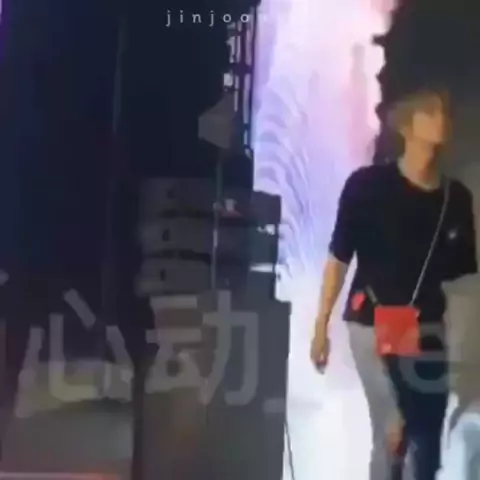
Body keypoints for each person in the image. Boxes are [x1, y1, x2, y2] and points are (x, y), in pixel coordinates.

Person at [310, 88, 477, 480]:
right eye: (429, 111)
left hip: (426, 328)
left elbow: (459, 274)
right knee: (393, 431)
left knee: (427, 441)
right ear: (405, 124)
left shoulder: (455, 199)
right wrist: (321, 325)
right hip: (373, 318)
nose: (441, 119)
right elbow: (339, 257)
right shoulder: (367, 187)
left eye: (444, 112)